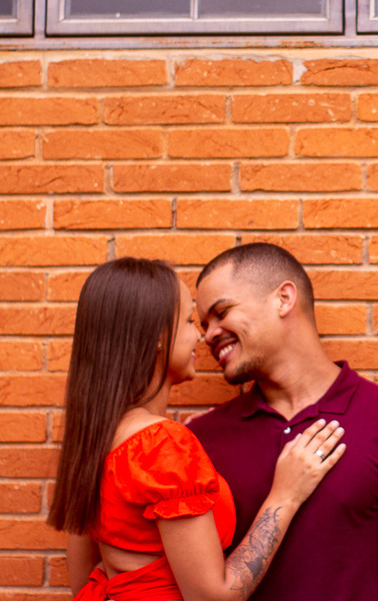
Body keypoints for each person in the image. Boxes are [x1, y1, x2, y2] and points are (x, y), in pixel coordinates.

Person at [48, 257, 345, 601]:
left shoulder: (98, 439)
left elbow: (83, 581)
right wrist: (285, 496)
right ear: (157, 336)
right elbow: (212, 598)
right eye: (189, 320)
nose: (201, 337)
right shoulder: (161, 446)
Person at [187, 243, 378, 601]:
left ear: (284, 299)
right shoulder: (201, 439)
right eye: (204, 324)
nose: (209, 334)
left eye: (221, 312)